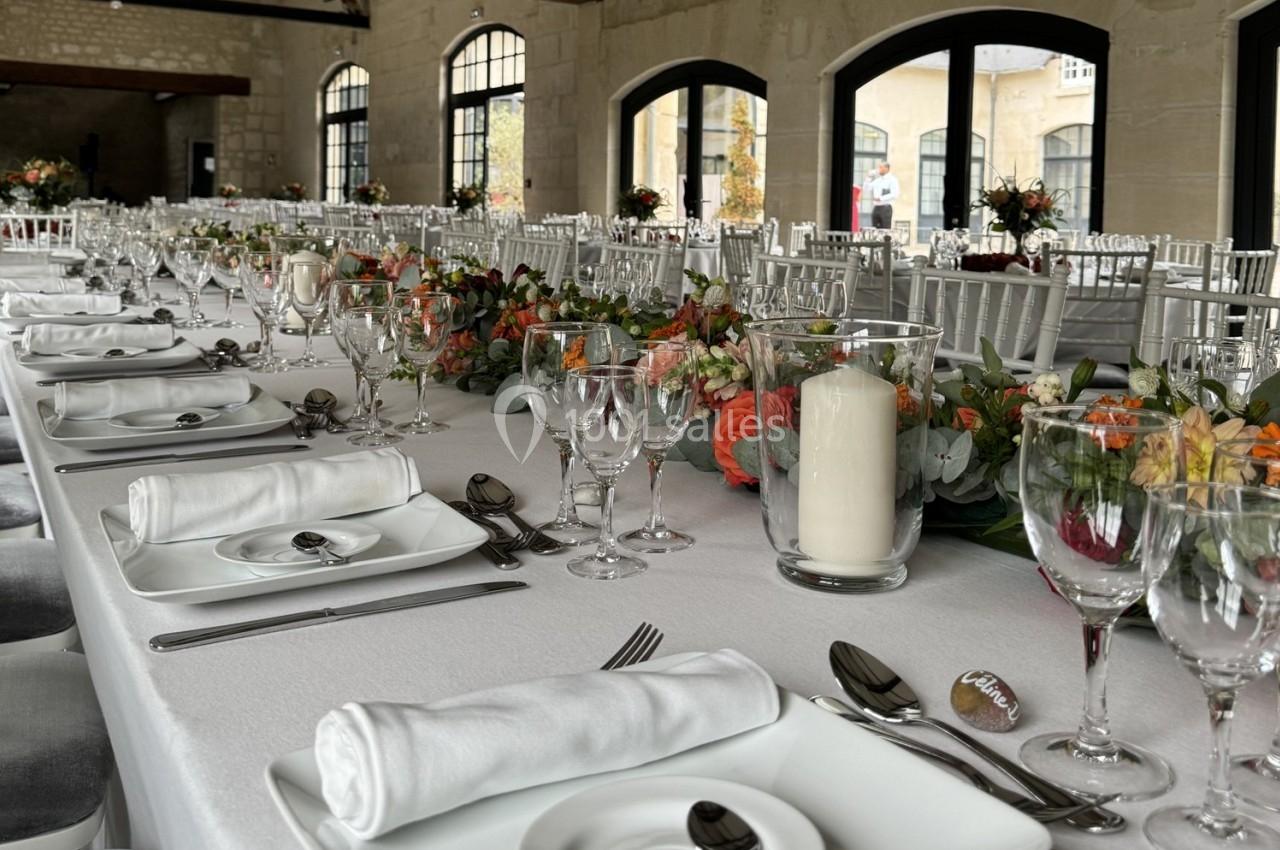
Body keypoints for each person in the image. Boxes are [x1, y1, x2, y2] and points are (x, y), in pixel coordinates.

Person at [863, 161, 899, 229]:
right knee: (874, 228)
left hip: (886, 207)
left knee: (885, 228)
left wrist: (881, 198)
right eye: (879, 167)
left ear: (887, 168)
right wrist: (868, 177)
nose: (879, 169)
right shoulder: (878, 180)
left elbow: (895, 194)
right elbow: (866, 189)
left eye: (881, 167)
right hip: (876, 207)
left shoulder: (892, 180)